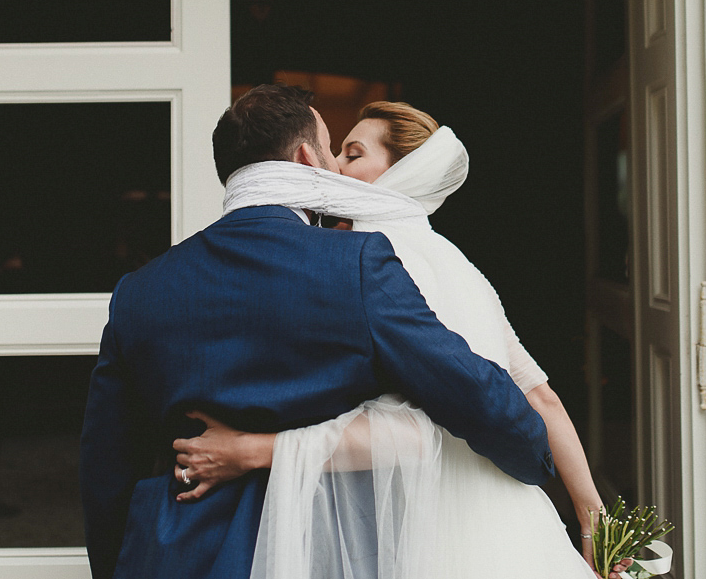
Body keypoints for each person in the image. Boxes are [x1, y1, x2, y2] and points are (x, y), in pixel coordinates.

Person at [79, 85, 556, 579]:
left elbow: (107, 466)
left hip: (176, 554)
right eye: (331, 150)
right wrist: (532, 452)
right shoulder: (356, 265)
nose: (336, 163)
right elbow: (465, 386)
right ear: (307, 157)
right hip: (325, 551)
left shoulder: (139, 291)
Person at [173, 101, 630, 579]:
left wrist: (250, 450)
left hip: (442, 532)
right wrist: (593, 521)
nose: (332, 167)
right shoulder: (460, 265)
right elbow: (541, 397)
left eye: (352, 154)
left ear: (404, 171)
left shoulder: (379, 262)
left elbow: (412, 433)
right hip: (515, 518)